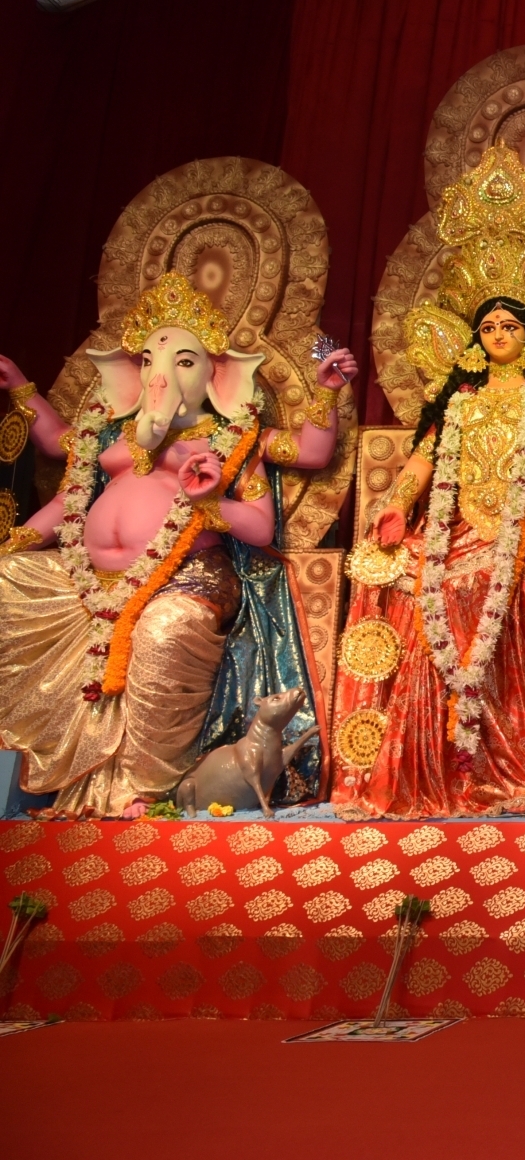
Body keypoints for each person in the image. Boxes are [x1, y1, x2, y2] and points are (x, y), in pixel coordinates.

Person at [328, 145, 525, 817]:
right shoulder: (457, 400)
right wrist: (397, 505)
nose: (498, 332)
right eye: (487, 325)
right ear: (471, 337)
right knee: (423, 593)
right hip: (455, 534)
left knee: (513, 595)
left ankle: (523, 762)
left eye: (510, 324)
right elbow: (422, 460)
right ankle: (443, 771)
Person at [0, 273, 355, 813]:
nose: (160, 376)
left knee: (164, 629)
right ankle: (54, 767)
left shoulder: (233, 439)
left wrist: (325, 392)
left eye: (183, 362)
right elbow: (58, 449)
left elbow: (305, 461)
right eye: (148, 362)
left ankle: (144, 786)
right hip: (89, 580)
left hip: (187, 576)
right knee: (6, 584)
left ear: (218, 375)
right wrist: (19, 385)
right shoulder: (110, 435)